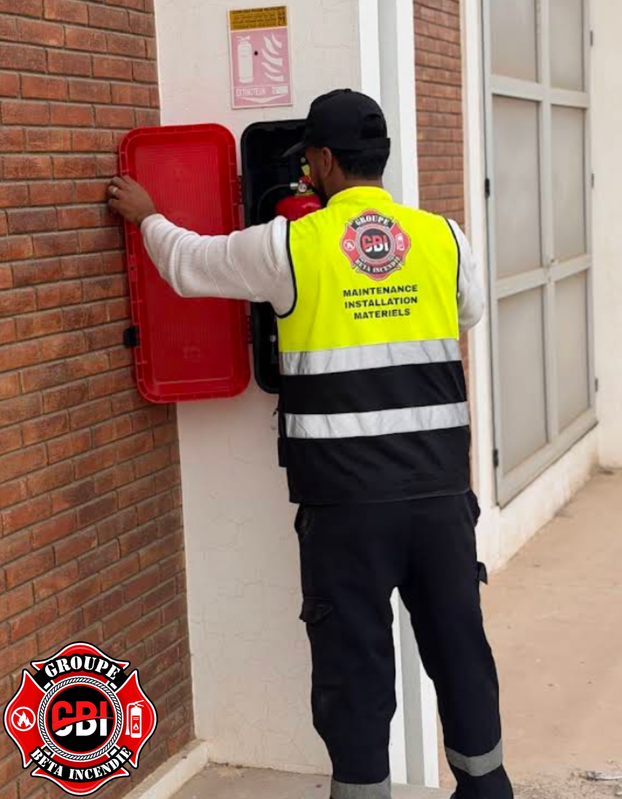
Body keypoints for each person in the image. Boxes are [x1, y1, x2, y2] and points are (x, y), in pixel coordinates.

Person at [108, 89, 513, 799]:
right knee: (459, 650)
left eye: (309, 163)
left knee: (354, 669)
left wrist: (148, 217)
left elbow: (191, 264)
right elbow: (468, 311)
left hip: (345, 507)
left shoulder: (289, 243)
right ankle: (487, 787)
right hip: (439, 498)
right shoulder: (445, 238)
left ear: (322, 161)